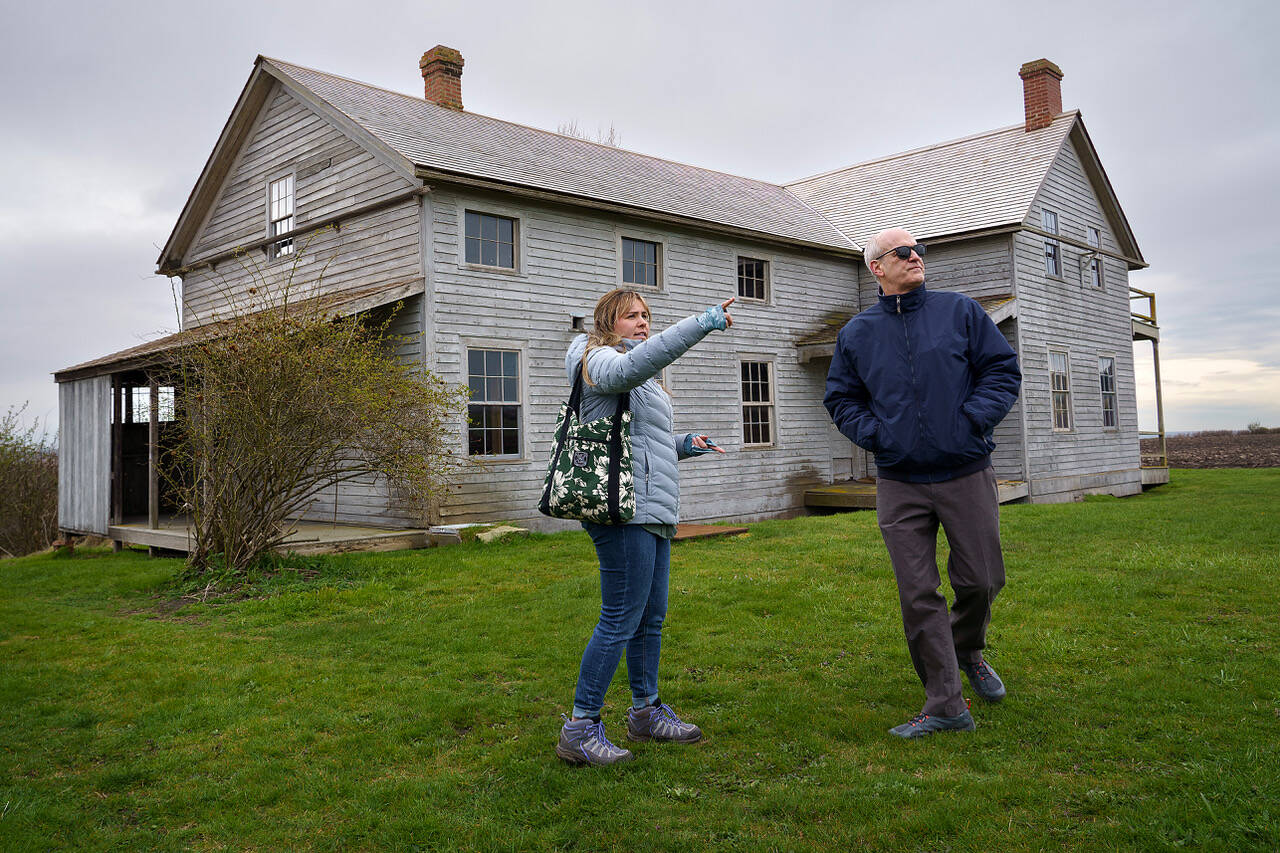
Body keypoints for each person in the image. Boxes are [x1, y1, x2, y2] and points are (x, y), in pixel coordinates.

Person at [824, 228, 1022, 739]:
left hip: (966, 469)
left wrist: (971, 420)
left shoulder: (961, 312)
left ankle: (966, 649)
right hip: (900, 481)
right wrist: (879, 437)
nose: (916, 257)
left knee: (982, 580)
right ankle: (946, 704)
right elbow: (842, 399)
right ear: (877, 269)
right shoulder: (857, 333)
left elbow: (1001, 370)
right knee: (918, 594)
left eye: (919, 251)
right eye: (903, 252)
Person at [555, 288, 735, 766]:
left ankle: (645, 712)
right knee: (619, 617)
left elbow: (637, 443)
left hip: (651, 509)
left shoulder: (643, 378)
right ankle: (580, 727)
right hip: (623, 510)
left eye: (646, 315)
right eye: (630, 316)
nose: (642, 322)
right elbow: (628, 369)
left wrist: (684, 444)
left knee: (649, 618)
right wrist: (702, 323)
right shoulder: (596, 360)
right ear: (606, 322)